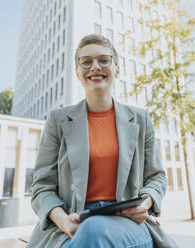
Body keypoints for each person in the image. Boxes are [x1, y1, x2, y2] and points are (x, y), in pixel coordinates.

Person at [26, 34, 179, 248]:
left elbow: (156, 177)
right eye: (86, 62)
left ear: (117, 69)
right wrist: (64, 222)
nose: (95, 67)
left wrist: (146, 202)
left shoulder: (140, 119)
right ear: (77, 72)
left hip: (128, 222)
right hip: (70, 224)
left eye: (104, 60)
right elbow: (42, 186)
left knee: (94, 231)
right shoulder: (57, 120)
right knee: (89, 233)